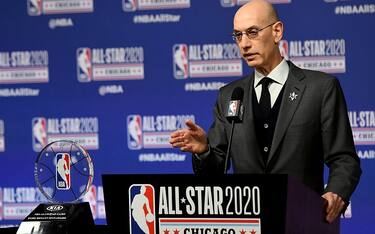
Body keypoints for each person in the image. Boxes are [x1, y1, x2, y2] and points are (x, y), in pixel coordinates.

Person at [170, 0, 361, 224]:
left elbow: (344, 159)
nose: (244, 44)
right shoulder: (230, 95)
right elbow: (215, 173)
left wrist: (335, 193)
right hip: (248, 224)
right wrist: (203, 151)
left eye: (252, 33)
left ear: (277, 31)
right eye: (238, 36)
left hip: (303, 221)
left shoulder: (320, 88)